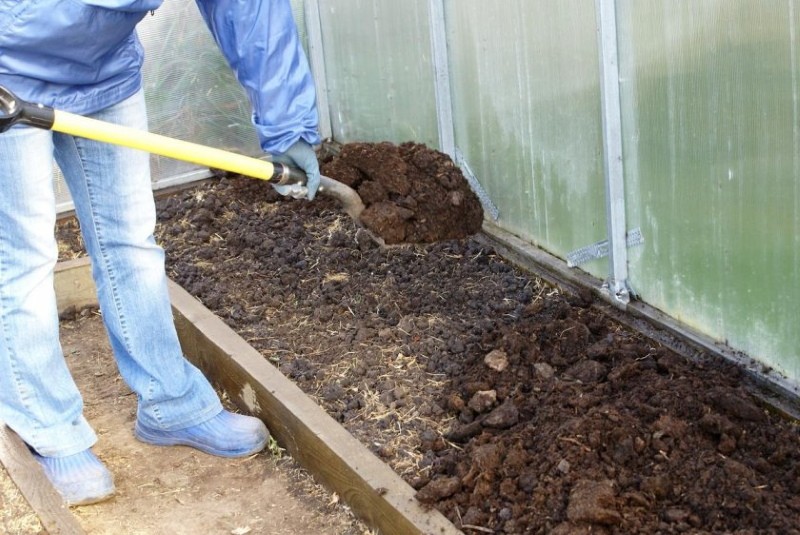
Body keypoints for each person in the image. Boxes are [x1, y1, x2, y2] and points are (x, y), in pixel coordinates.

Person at [0, 0, 321, 506]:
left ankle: (171, 404)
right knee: (22, 260)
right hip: (7, 68)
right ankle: (50, 432)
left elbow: (248, 7)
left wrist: (289, 125)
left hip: (103, 69)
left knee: (130, 240)